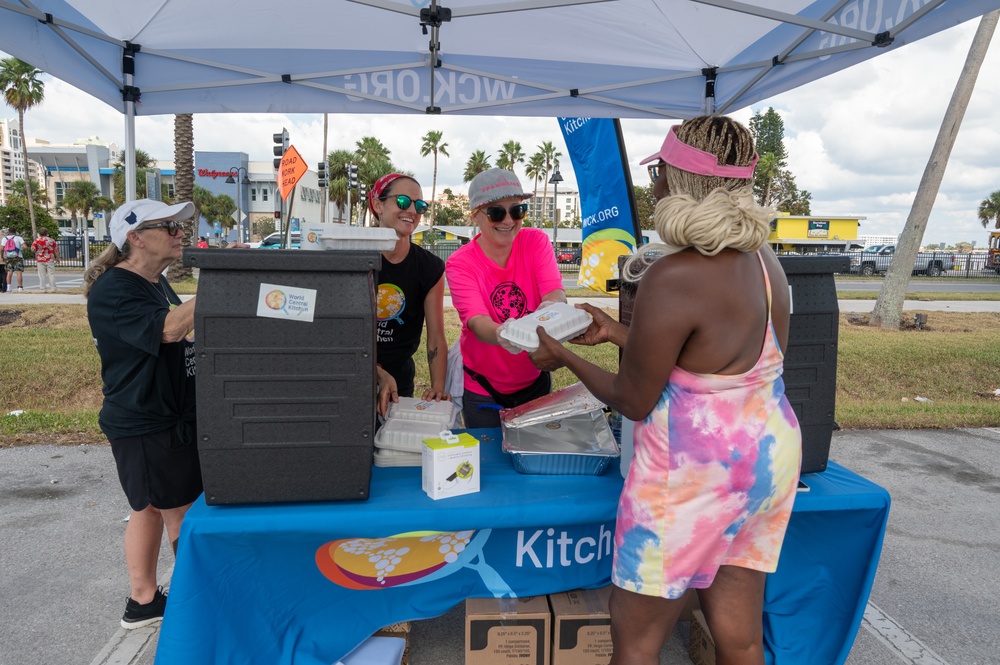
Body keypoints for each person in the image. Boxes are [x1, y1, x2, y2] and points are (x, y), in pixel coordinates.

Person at [528, 116, 801, 665]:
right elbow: (718, 362)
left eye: (661, 175)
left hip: (690, 476)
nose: (653, 188)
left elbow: (632, 399)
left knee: (636, 637)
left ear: (684, 182)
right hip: (765, 461)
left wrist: (563, 354)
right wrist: (616, 332)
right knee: (739, 633)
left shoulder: (673, 275)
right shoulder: (765, 262)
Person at [84, 198, 202, 630]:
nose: (179, 233)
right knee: (181, 513)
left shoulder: (154, 282)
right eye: (168, 227)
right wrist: (221, 285)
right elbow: (169, 329)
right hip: (148, 420)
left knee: (149, 507)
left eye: (179, 226)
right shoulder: (117, 287)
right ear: (134, 237)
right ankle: (196, 601)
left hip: (160, 415)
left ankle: (143, 600)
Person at [445, 168, 566, 429]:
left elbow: (554, 291)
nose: (509, 220)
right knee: (489, 464)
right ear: (476, 216)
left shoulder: (536, 242)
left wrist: (554, 308)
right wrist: (503, 333)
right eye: (496, 212)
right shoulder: (460, 263)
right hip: (484, 388)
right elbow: (476, 322)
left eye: (517, 210)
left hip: (535, 380)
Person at [367, 173, 449, 417]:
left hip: (400, 378)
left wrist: (437, 390)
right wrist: (376, 372)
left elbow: (436, 337)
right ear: (378, 205)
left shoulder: (430, 267)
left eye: (420, 205)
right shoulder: (353, 257)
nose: (412, 210)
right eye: (403, 201)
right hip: (352, 369)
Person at [31, 227, 60, 292]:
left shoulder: (37, 240)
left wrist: (36, 250)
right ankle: (53, 288)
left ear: (39, 233)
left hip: (40, 259)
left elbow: (33, 249)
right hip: (50, 258)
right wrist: (58, 258)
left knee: (41, 275)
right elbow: (56, 250)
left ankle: (43, 288)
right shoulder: (52, 240)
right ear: (47, 233)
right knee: (51, 274)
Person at [3, 227, 25, 292]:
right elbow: (25, 246)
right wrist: (20, 248)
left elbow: (2, 248)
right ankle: (20, 287)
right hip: (18, 256)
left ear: (9, 232)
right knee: (19, 272)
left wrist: (2, 256)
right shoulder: (19, 238)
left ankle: (8, 287)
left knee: (9, 272)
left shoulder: (5, 238)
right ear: (15, 232)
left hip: (8, 257)